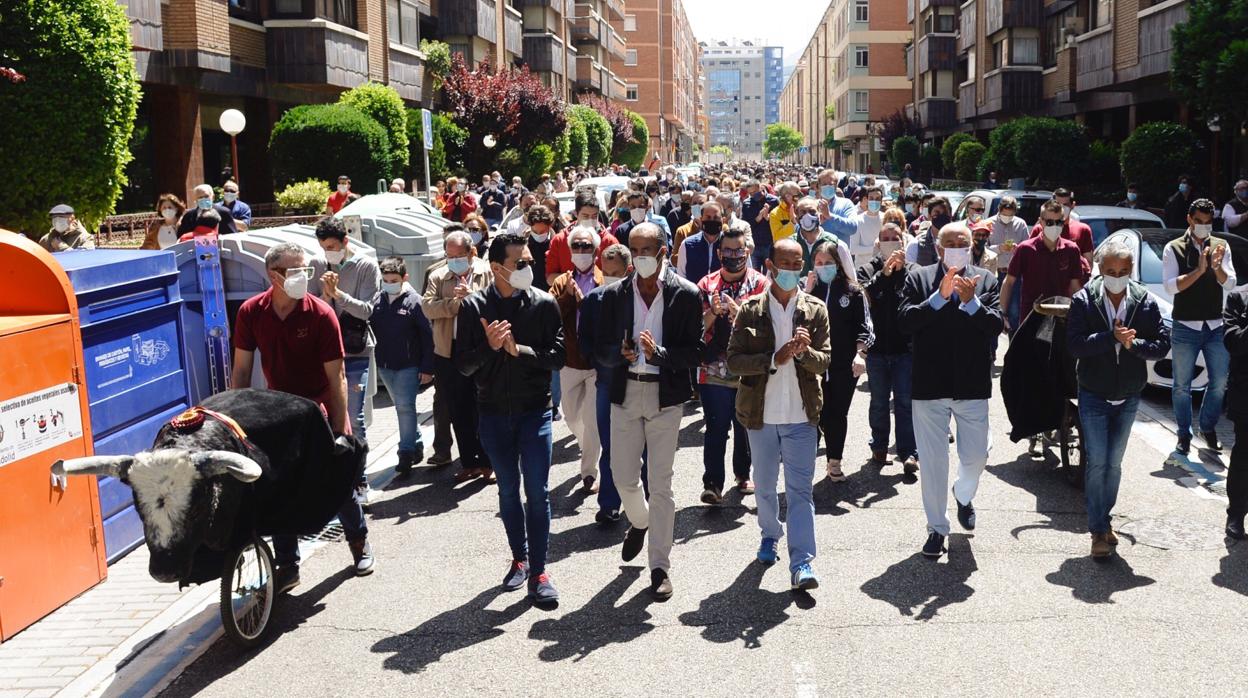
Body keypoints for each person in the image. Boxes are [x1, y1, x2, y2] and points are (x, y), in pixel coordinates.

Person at [230, 242, 374, 589]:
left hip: (320, 410)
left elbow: (337, 377)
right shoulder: (251, 312)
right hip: (278, 414)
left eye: (305, 270)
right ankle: (288, 565)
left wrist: (341, 430)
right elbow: (241, 370)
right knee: (280, 489)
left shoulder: (321, 314)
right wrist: (237, 421)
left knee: (335, 483)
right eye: (294, 270)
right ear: (272, 275)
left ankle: (358, 540)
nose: (302, 277)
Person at [591, 223, 703, 600]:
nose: (640, 257)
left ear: (663, 251)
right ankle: (639, 521)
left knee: (662, 483)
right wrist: (617, 355)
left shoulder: (685, 295)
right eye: (633, 249)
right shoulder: (614, 296)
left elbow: (696, 352)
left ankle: (659, 565)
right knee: (622, 477)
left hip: (664, 397)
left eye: (647, 249)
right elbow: (599, 348)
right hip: (625, 394)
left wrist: (661, 356)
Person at [453, 232, 564, 604]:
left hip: (535, 412)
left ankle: (539, 570)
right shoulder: (473, 307)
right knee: (507, 489)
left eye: (530, 261)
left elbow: (557, 357)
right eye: (520, 263)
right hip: (494, 414)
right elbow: (464, 366)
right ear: (497, 267)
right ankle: (519, 559)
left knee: (538, 491)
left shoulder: (544, 303)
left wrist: (521, 351)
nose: (528, 267)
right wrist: (490, 347)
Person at [726, 237, 831, 591]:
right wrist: (775, 358)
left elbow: (825, 360)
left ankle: (802, 562)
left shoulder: (815, 309)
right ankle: (770, 534)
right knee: (766, 488)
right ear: (770, 266)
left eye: (796, 264)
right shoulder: (750, 309)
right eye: (783, 264)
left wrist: (804, 353)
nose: (790, 271)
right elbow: (734, 361)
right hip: (761, 415)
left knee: (800, 492)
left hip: (802, 416)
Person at [899, 222, 1003, 559]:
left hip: (971, 383)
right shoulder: (918, 277)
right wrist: (940, 298)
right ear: (938, 247)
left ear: (972, 245)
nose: (957, 246)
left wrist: (971, 303)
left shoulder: (985, 279)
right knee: (932, 463)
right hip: (930, 383)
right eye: (950, 242)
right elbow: (906, 321)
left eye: (964, 242)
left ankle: (963, 492)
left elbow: (995, 325)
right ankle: (936, 528)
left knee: (976, 456)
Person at [1067, 241, 1170, 557]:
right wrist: (1109, 337)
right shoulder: (1084, 300)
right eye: (1111, 271)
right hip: (1094, 394)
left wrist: (1133, 344)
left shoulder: (1145, 302)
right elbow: (1075, 346)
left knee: (1114, 463)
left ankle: (1105, 519)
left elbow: (1162, 345)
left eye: (1123, 272)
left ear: (1131, 272)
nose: (1117, 277)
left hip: (1128, 395)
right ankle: (1097, 530)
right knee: (1097, 461)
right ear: (1100, 270)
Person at [311, 217, 381, 503]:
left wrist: (338, 294)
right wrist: (327, 298)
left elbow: (366, 310)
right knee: (326, 418)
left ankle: (360, 481)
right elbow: (314, 308)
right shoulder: (316, 265)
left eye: (333, 247)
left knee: (354, 415)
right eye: (324, 247)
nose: (329, 253)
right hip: (326, 353)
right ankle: (336, 481)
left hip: (355, 351)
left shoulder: (365, 266)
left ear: (345, 242)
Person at [696, 227, 767, 503]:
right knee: (715, 425)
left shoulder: (760, 285)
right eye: (728, 251)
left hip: (748, 367)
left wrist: (740, 315)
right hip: (713, 368)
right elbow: (695, 329)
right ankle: (712, 483)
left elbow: (767, 327)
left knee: (745, 425)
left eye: (739, 251)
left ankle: (743, 473)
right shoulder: (706, 285)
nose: (734, 256)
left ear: (747, 252)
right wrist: (713, 312)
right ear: (719, 252)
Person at [1163, 198, 1236, 455]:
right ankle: (1183, 434)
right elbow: (1170, 286)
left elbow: (1230, 283)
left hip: (1216, 324)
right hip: (1185, 326)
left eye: (1208, 223)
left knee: (1219, 382)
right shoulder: (1174, 248)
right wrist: (1198, 270)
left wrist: (1216, 270)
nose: (1204, 227)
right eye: (1199, 222)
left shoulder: (1221, 246)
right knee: (1182, 385)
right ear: (1189, 220)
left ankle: (1208, 426)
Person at [423, 230, 493, 480]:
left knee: (482, 407)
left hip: (479, 350)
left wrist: (471, 299)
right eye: (449, 255)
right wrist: (454, 303)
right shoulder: (438, 275)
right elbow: (428, 307)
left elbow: (493, 305)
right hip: (447, 351)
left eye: (459, 255)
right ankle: (468, 462)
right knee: (457, 408)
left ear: (471, 252)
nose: (454, 260)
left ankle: (488, 462)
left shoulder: (487, 272)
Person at [578, 244, 637, 523]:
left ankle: (645, 505)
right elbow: (586, 343)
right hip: (607, 382)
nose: (610, 277)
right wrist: (611, 357)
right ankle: (609, 505)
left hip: (640, 382)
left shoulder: (641, 297)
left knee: (643, 448)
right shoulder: (594, 300)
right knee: (610, 446)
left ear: (629, 270)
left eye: (616, 273)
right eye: (606, 271)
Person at [804, 239, 872, 482]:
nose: (824, 267)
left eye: (829, 263)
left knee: (837, 413)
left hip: (844, 365)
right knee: (817, 413)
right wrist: (807, 292)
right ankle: (806, 461)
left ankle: (834, 461)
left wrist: (860, 354)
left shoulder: (853, 291)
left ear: (839, 264)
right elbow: (793, 320)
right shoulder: (809, 291)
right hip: (814, 364)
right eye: (819, 263)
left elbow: (866, 327)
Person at [858, 223, 919, 474]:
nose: (891, 242)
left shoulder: (914, 271)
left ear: (903, 242)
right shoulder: (868, 269)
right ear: (878, 242)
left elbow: (918, 301)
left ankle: (908, 452)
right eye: (886, 238)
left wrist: (900, 270)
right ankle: (879, 446)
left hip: (905, 349)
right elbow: (863, 297)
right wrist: (883, 273)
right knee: (879, 402)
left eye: (895, 238)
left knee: (905, 402)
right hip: (877, 350)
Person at [550, 224, 606, 491]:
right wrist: (569, 298)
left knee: (592, 418)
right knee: (572, 416)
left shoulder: (604, 279)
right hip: (570, 360)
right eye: (577, 246)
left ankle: (589, 471)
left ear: (596, 250)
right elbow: (551, 317)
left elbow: (607, 316)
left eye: (587, 246)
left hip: (596, 362)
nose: (582, 250)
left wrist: (584, 301)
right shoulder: (562, 282)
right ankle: (589, 448)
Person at [371, 256, 435, 473]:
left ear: (404, 277)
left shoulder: (415, 301)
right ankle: (415, 443)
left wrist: (428, 368)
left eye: (394, 279)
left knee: (404, 407)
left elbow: (428, 336)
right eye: (386, 279)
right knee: (403, 407)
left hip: (409, 365)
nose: (389, 283)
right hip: (385, 366)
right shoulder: (378, 300)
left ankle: (405, 453)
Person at [1000, 200, 1089, 336]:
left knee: (1058, 357)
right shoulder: (1025, 249)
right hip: (1031, 319)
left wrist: (1080, 316)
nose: (1054, 226)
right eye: (1049, 222)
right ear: (1040, 222)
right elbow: (1009, 282)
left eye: (1058, 222)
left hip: (1060, 319)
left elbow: (1075, 287)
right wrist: (1003, 313)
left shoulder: (1071, 249)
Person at [546, 191, 617, 284]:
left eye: (594, 216)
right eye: (585, 216)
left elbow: (617, 277)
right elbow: (550, 278)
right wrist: (575, 281)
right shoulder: (560, 240)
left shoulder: (609, 242)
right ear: (576, 213)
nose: (590, 220)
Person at [1224, 283, 1248, 540]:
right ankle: (1237, 513)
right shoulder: (1238, 298)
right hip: (1245, 391)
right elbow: (1234, 342)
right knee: (1243, 454)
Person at [792, 197, 854, 276]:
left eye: (812, 212)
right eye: (803, 212)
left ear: (820, 217)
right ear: (797, 219)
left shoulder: (837, 245)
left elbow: (850, 278)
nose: (807, 216)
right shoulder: (790, 244)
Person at [677, 200, 727, 282]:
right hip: (694, 293)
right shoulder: (687, 245)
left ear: (723, 220)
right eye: (708, 217)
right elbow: (681, 277)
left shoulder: (731, 244)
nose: (712, 220)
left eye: (716, 217)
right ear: (701, 219)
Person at [742, 179, 780, 269]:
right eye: (750, 193)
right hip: (754, 246)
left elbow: (779, 223)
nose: (753, 195)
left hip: (770, 244)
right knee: (755, 275)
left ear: (760, 187)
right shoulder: (747, 204)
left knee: (769, 275)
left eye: (755, 192)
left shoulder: (773, 201)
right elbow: (746, 225)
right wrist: (757, 218)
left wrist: (768, 218)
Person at [906, 197, 952, 266]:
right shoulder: (916, 245)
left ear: (951, 215)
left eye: (945, 213)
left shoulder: (960, 243)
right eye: (937, 213)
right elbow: (910, 272)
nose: (941, 216)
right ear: (929, 216)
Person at [848, 185, 884, 268]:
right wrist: (875, 249)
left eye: (877, 199)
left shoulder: (885, 219)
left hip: (882, 267)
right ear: (866, 200)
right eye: (871, 198)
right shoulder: (857, 220)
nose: (874, 201)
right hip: (862, 268)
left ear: (881, 201)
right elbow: (853, 249)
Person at [523, 205, 557, 292]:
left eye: (542, 232)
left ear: (549, 227)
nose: (538, 235)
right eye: (535, 232)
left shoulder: (557, 245)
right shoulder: (523, 245)